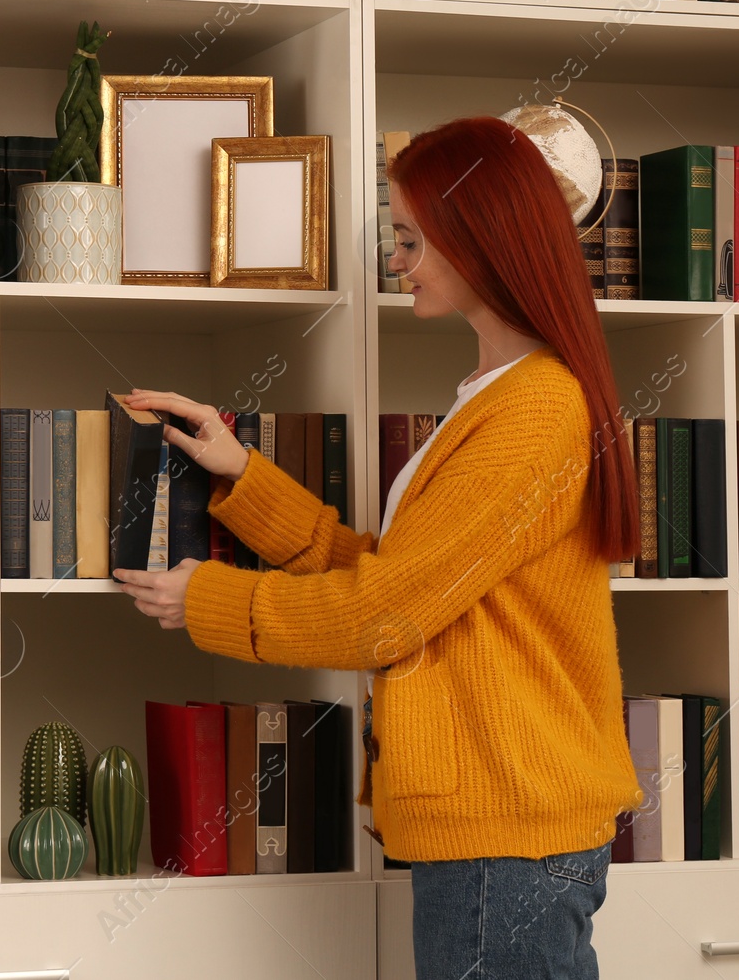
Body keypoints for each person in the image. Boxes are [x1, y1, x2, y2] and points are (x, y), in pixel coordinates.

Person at [113, 115, 642, 979]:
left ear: (478, 239)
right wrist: (242, 472)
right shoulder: (492, 394)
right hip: (497, 841)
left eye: (408, 239)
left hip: (505, 841)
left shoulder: (535, 411)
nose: (396, 261)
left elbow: (383, 617)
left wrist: (204, 599)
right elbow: (394, 576)